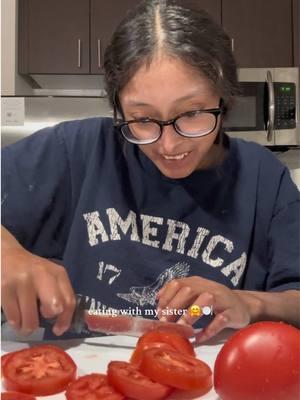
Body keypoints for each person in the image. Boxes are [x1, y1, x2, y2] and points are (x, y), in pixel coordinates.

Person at [1, 0, 299, 342]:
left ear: (224, 99)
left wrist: (249, 302)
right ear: (118, 110)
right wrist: (6, 254)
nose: (169, 146)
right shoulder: (76, 151)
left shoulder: (263, 178)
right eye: (143, 119)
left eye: (191, 114)